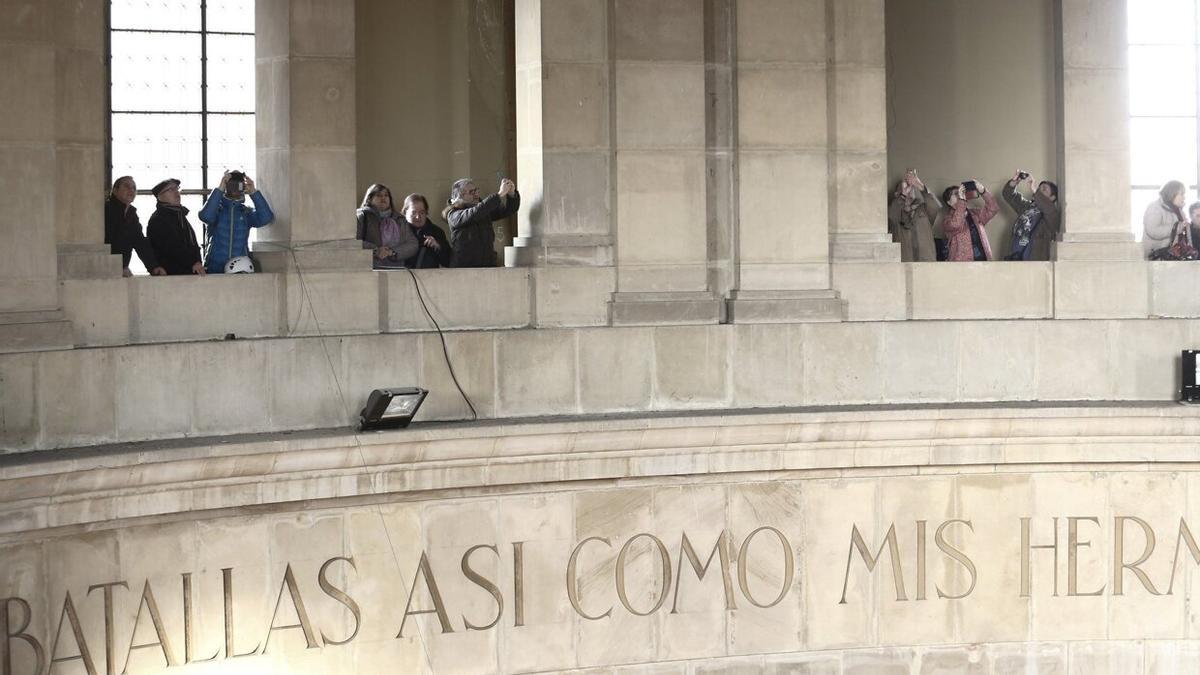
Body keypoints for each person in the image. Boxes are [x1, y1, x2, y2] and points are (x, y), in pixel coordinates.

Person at [199, 170, 274, 274]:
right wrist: (220, 188)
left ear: (243, 187)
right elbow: (205, 216)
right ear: (226, 186)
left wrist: (253, 192)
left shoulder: (246, 212)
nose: (235, 188)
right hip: (214, 269)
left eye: (238, 185)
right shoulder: (217, 210)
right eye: (231, 184)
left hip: (239, 268)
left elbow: (266, 218)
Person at [443, 177, 520, 268]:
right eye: (471, 192)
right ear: (460, 197)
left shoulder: (482, 210)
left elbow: (507, 210)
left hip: (487, 265)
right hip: (464, 269)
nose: (476, 194)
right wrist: (499, 195)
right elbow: (474, 213)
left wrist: (511, 194)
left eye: (476, 191)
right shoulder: (453, 214)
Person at [104, 176, 165, 277]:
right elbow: (110, 241)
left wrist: (154, 267)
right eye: (127, 186)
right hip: (105, 268)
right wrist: (118, 267)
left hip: (121, 270)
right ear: (115, 191)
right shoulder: (106, 211)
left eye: (134, 188)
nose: (131, 190)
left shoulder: (131, 214)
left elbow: (140, 242)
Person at [146, 178, 205, 276]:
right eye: (171, 190)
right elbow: (171, 247)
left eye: (177, 189)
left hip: (187, 273)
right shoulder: (158, 219)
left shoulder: (179, 216)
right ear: (160, 196)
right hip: (171, 276)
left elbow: (192, 244)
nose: (176, 192)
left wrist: (198, 262)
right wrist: (193, 262)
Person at [355, 184, 419, 268]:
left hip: (397, 270)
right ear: (369, 199)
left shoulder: (400, 220)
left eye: (386, 195)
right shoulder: (361, 216)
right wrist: (375, 250)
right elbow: (353, 242)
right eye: (378, 195)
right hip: (368, 269)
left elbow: (412, 244)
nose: (383, 198)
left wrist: (392, 252)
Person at [1002, 171, 1060, 261]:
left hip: (1033, 261)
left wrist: (1034, 189)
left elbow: (1050, 211)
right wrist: (1015, 182)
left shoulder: (1051, 214)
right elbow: (1009, 195)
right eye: (1039, 189)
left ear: (1052, 197)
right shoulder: (1027, 206)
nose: (1039, 191)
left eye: (1044, 189)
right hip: (1014, 257)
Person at [887, 169, 939, 262]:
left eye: (911, 188)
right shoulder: (895, 210)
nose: (908, 189)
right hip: (905, 263)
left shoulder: (923, 209)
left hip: (926, 261)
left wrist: (920, 186)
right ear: (897, 194)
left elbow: (935, 206)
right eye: (904, 188)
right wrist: (903, 195)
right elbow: (891, 216)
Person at [941, 180, 999, 261]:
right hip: (962, 266)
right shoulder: (947, 220)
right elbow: (956, 224)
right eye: (955, 193)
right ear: (949, 202)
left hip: (984, 262)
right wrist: (962, 201)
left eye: (960, 193)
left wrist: (983, 191)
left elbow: (993, 209)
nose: (959, 195)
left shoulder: (975, 214)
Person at [400, 193, 452, 269]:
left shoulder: (436, 232)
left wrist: (438, 246)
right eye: (413, 213)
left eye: (422, 212)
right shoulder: (397, 231)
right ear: (405, 212)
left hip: (428, 278)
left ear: (426, 213)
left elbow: (448, 262)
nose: (418, 217)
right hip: (401, 276)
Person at [1144, 180, 1187, 259]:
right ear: (1172, 194)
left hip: (1176, 258)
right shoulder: (1155, 207)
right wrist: (1177, 228)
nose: (1184, 197)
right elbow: (1152, 231)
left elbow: (1186, 235)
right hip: (1158, 258)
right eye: (1181, 194)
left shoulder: (1179, 211)